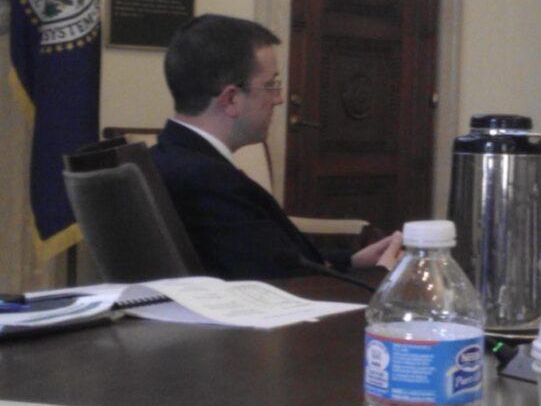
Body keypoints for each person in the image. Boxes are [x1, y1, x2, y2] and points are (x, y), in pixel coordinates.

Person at [150, 14, 402, 280]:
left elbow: (277, 255)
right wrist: (380, 274)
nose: (279, 98)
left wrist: (352, 260)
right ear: (232, 99)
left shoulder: (170, 159)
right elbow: (285, 282)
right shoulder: (209, 180)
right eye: (271, 85)